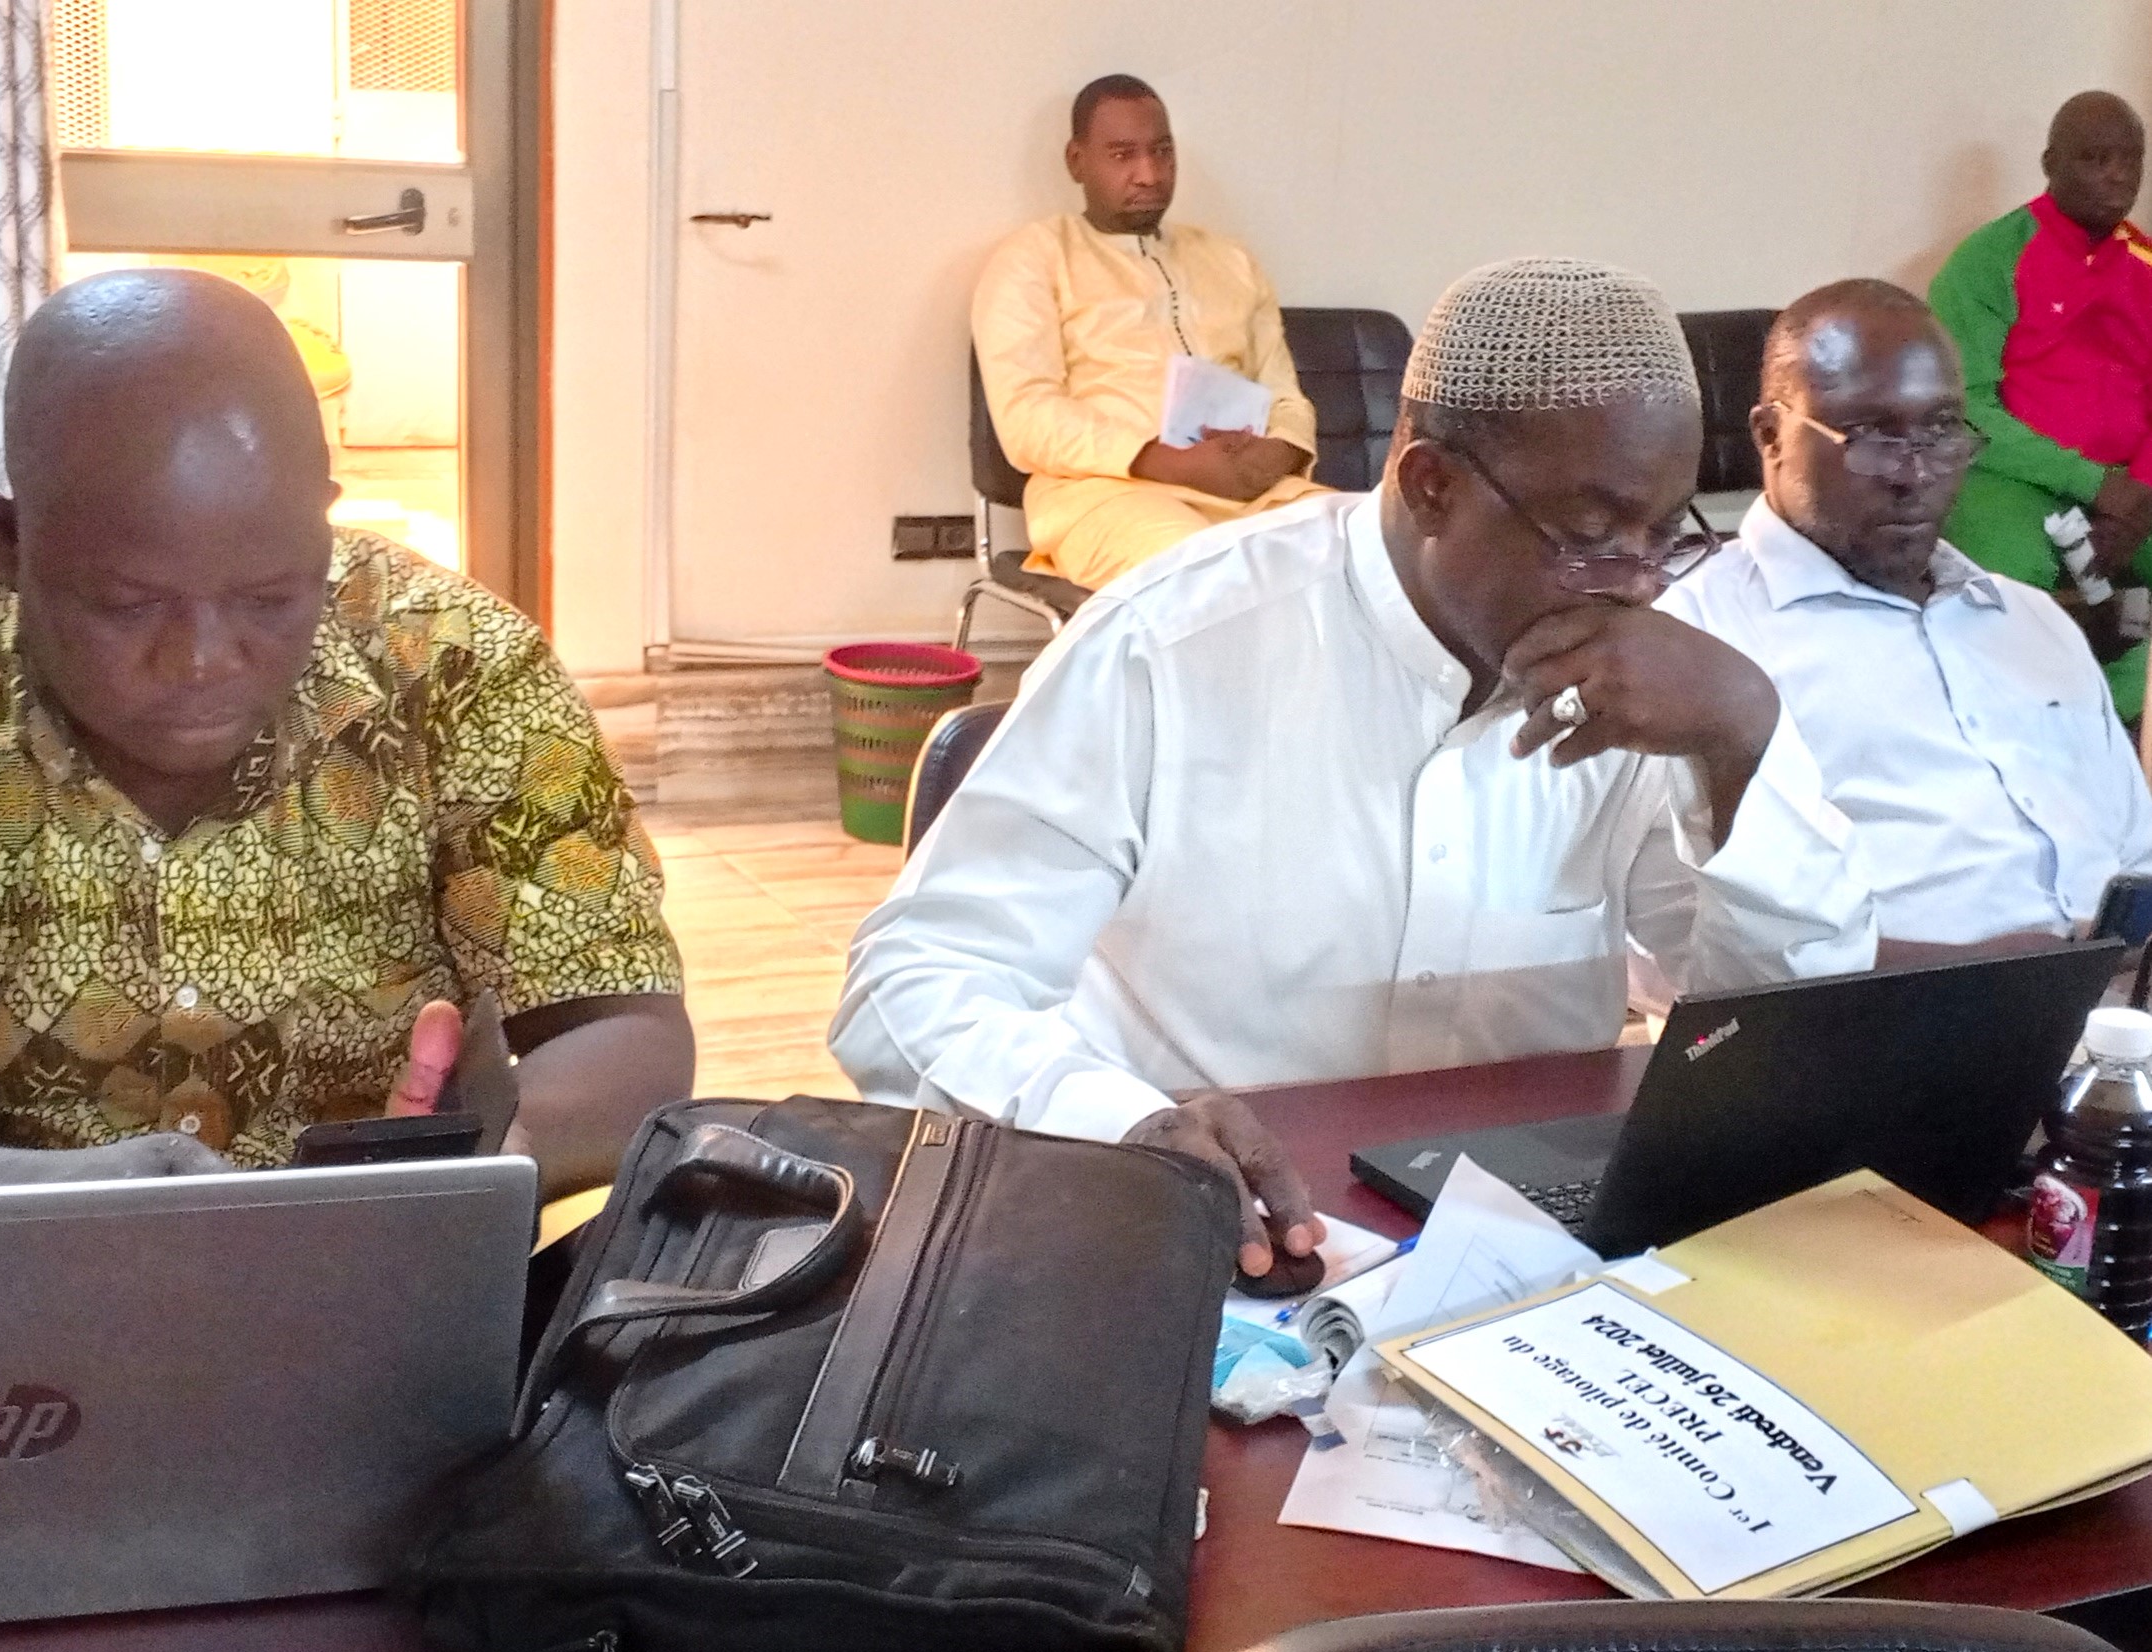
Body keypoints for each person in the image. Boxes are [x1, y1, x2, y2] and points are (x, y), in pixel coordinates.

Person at [834, 258, 1875, 1283]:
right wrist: (1115, 1121)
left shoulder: (1653, 680)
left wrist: (1743, 745)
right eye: (1593, 533)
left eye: (1665, 533)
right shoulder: (1171, 643)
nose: (1640, 584)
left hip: (1533, 1249)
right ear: (1431, 486)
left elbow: (1779, 1039)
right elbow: (913, 981)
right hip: (1220, 1240)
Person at [0, 269, 693, 1201]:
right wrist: (68, 1201)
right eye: (128, 604)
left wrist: (458, 1170)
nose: (202, 659)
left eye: (270, 598)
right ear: (10, 540)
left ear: (323, 519)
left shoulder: (455, 665)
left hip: (380, 1287)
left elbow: (624, 1030)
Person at [1660, 279, 2152, 957]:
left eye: (1941, 429)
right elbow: (1681, 946)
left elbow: (2135, 859)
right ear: (1771, 436)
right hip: (1891, 1019)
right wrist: (2012, 978)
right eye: (1869, 436)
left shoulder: (2032, 622)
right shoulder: (1691, 643)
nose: (1915, 473)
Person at [971, 74, 1319, 593]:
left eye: (1162, 152)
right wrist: (1167, 462)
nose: (1149, 174)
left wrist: (1279, 452)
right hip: (1105, 496)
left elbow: (1283, 392)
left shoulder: (1231, 261)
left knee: (1363, 548)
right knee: (1200, 571)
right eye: (1122, 155)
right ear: (1076, 161)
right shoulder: (1034, 259)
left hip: (1251, 493)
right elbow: (1028, 415)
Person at [1930, 90, 2152, 721]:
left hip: (2133, 484)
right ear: (2051, 164)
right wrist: (2093, 484)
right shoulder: (1988, 260)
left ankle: (2122, 711)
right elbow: (1963, 405)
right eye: (2095, 158)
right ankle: (2029, 727)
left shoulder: (2146, 262)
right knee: (2005, 588)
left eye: (2131, 159)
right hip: (2013, 476)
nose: (2118, 176)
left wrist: (2137, 492)